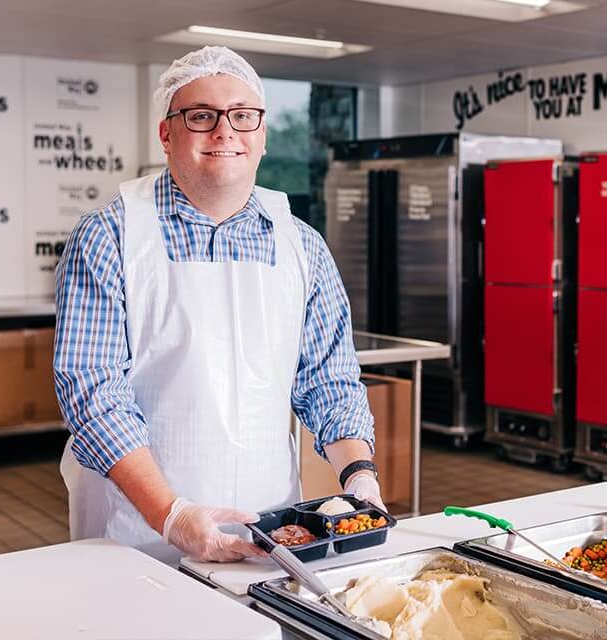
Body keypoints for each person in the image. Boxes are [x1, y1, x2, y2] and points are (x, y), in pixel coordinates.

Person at [54, 45, 383, 564]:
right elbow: (95, 396)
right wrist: (173, 515)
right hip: (136, 533)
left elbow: (330, 382)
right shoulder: (109, 237)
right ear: (167, 133)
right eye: (202, 116)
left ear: (263, 133)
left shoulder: (303, 246)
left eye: (243, 116)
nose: (225, 132)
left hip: (270, 530)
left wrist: (358, 476)